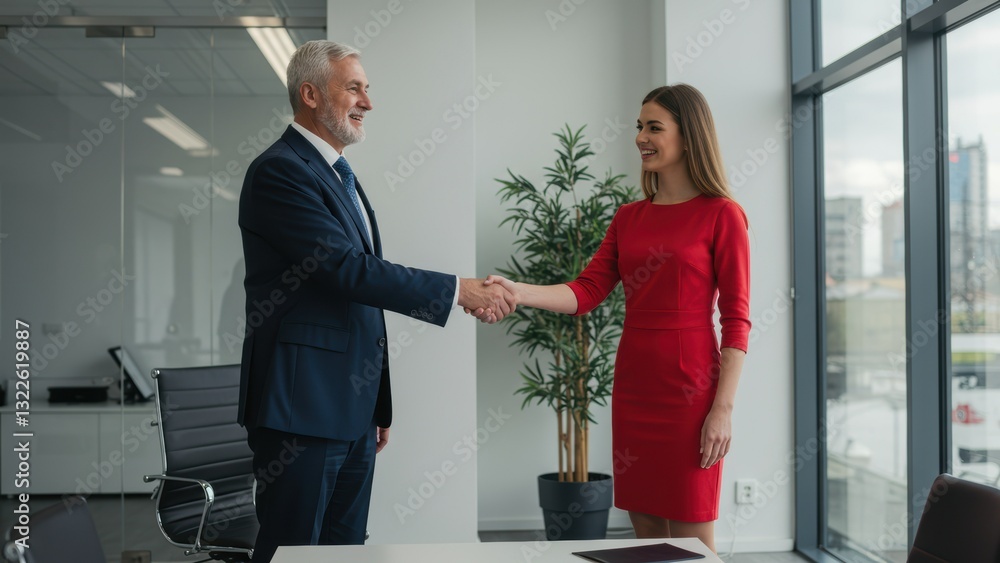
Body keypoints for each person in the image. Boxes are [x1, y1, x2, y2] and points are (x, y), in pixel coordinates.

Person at [238, 40, 515, 562]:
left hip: (351, 410)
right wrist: (460, 289)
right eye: (355, 88)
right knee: (292, 552)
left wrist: (373, 402)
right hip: (302, 411)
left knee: (346, 553)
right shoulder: (280, 171)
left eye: (368, 89)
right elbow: (348, 271)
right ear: (310, 94)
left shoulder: (339, 174)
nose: (368, 101)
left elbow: (353, 298)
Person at [482, 84, 750, 551]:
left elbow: (737, 319)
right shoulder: (629, 218)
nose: (640, 137)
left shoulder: (722, 215)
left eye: (653, 127)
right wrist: (517, 290)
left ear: (689, 136)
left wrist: (722, 410)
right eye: (639, 127)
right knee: (646, 541)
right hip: (635, 387)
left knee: (693, 542)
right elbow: (585, 292)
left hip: (691, 393)